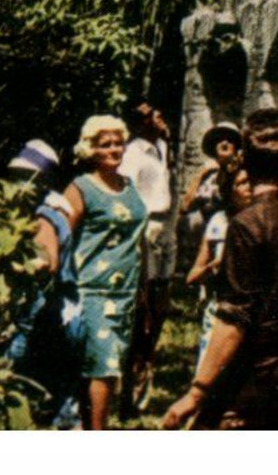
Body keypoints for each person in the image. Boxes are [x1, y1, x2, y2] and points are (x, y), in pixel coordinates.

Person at [162, 108, 278, 430]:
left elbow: (235, 317)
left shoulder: (246, 226)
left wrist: (196, 394)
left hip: (252, 388)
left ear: (247, 162)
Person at [59, 114, 149, 430]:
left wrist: (143, 288)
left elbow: (139, 240)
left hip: (125, 292)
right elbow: (60, 234)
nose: (113, 148)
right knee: (103, 367)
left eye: (118, 142)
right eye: (105, 144)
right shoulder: (81, 187)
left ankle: (87, 427)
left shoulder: (129, 186)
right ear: (91, 149)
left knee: (109, 367)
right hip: (92, 291)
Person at [5, 140, 81, 428]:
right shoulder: (56, 212)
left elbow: (47, 261)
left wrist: (17, 265)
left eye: (28, 179)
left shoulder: (43, 217)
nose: (21, 186)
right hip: (68, 313)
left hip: (45, 318)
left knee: (23, 384)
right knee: (62, 398)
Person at [119, 99, 174, 410]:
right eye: (155, 114)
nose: (161, 117)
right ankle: (133, 382)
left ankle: (145, 367)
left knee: (161, 301)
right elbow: (130, 195)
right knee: (144, 309)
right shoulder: (133, 153)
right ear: (142, 122)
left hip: (164, 227)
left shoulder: (161, 148)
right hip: (145, 228)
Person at [185, 154, 251, 372]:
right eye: (242, 183)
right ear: (229, 189)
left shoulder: (260, 222)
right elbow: (192, 276)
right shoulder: (218, 222)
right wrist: (212, 267)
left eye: (251, 181)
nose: (249, 188)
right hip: (219, 311)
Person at [180, 122, 243, 226]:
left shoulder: (239, 171)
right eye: (220, 138)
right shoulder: (208, 172)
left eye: (230, 140)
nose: (225, 142)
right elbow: (185, 206)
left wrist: (228, 164)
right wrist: (202, 173)